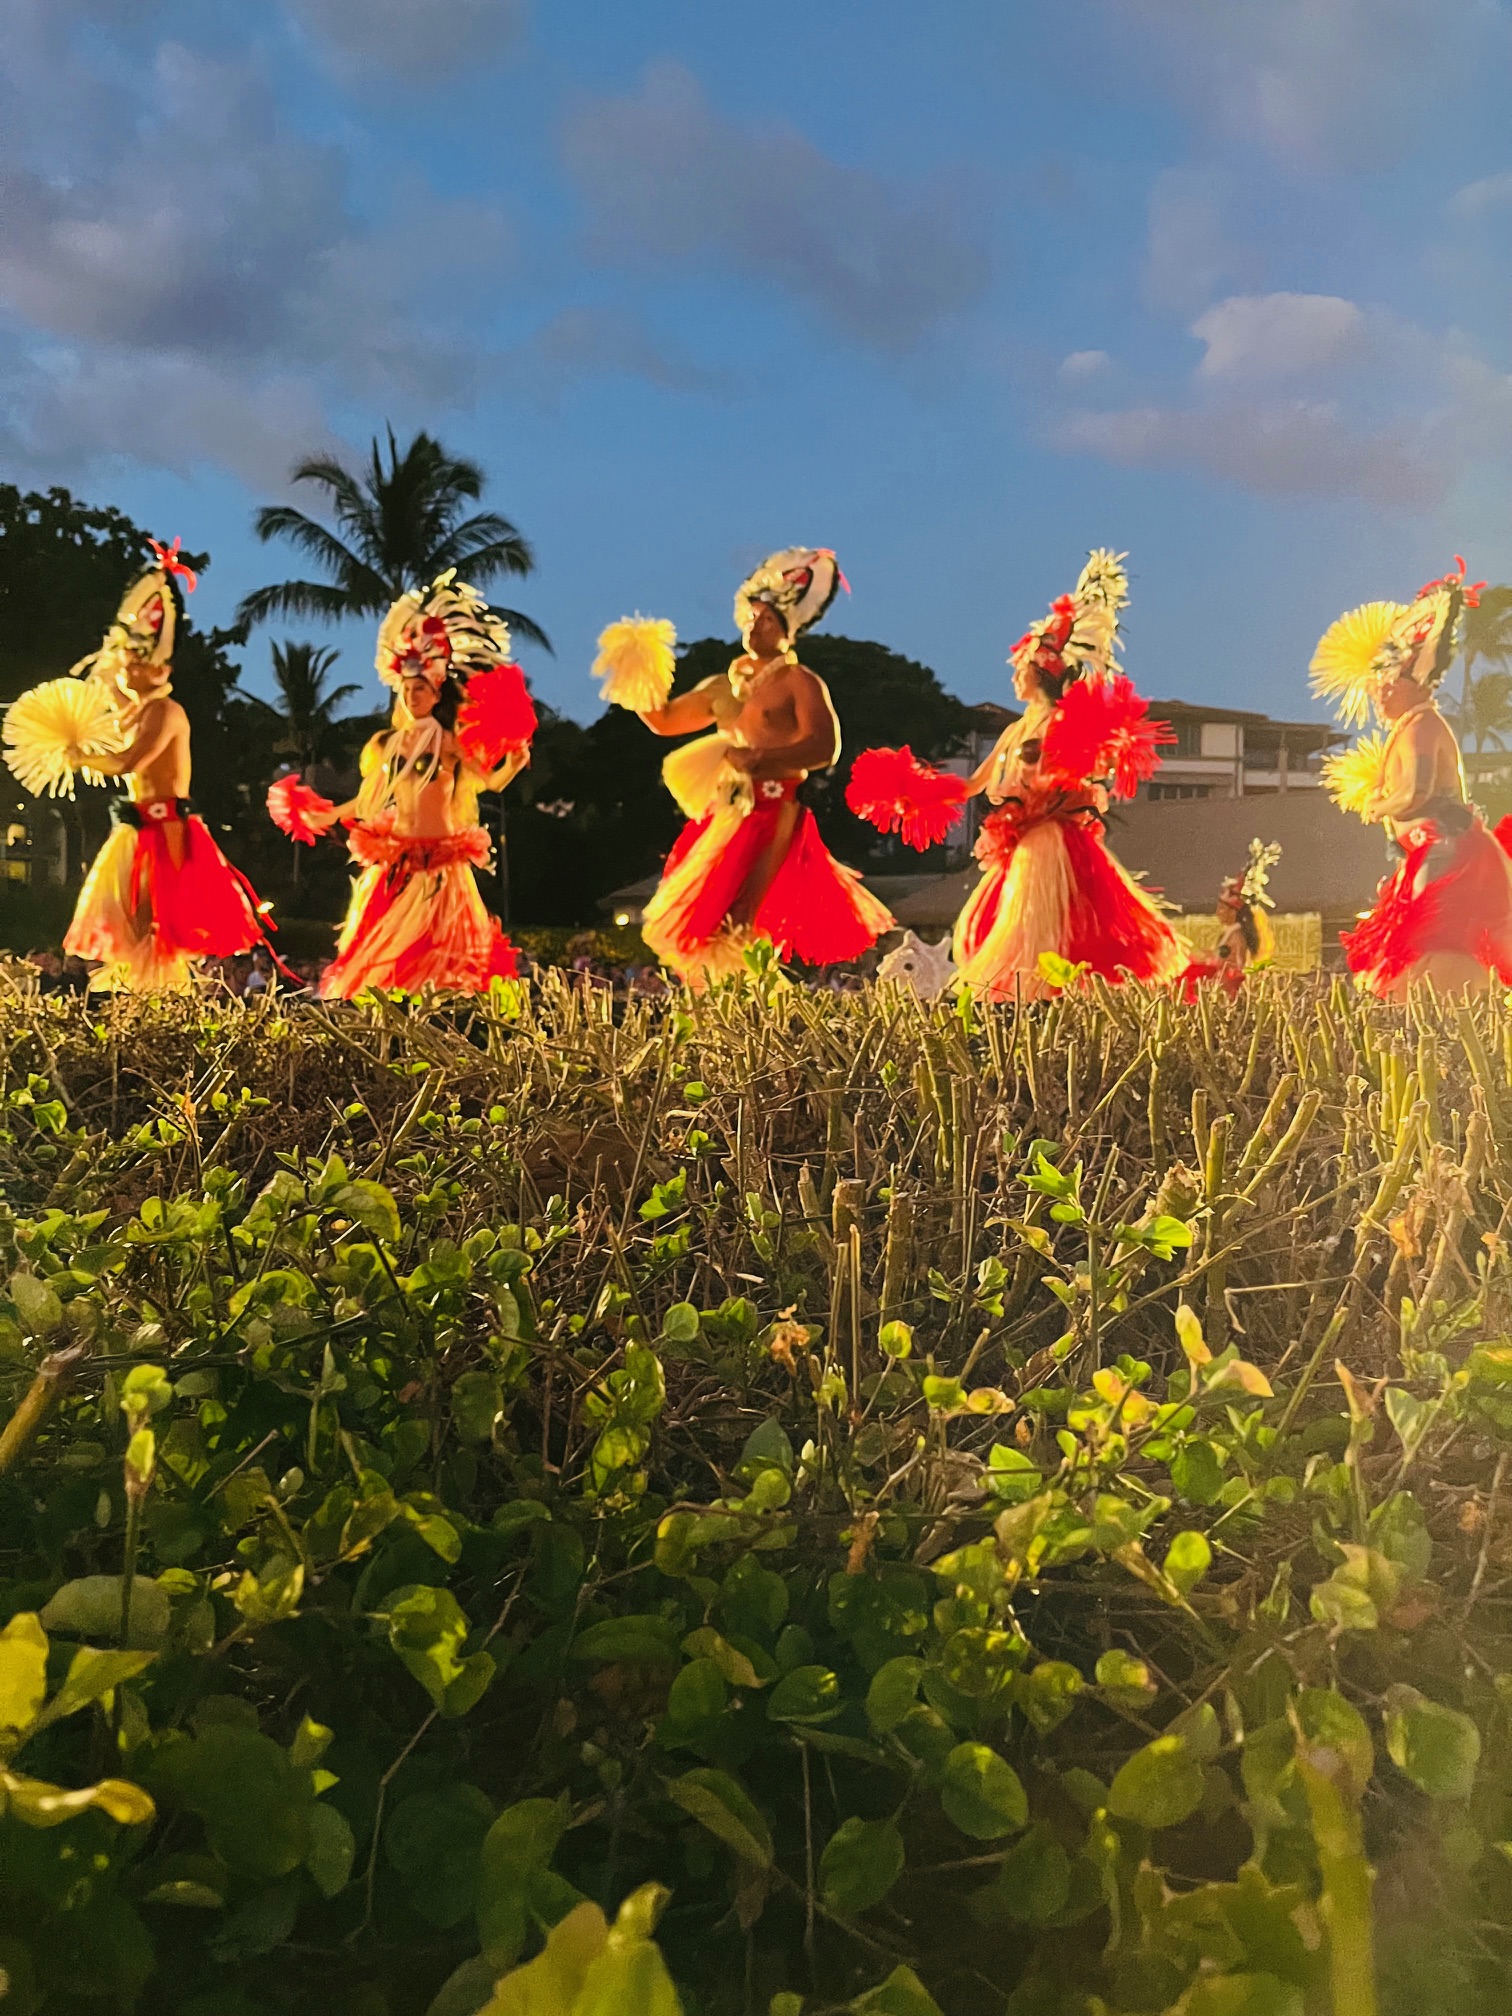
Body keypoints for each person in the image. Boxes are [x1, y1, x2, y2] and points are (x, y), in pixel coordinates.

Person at [594, 548, 892, 985]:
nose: (756, 625)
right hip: (725, 812)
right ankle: (713, 1001)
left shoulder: (799, 682)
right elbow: (665, 721)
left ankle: (748, 1000)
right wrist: (639, 671)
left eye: (768, 619)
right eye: (753, 616)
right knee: (703, 921)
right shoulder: (723, 686)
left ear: (788, 630)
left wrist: (762, 758)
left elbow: (824, 747)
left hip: (775, 812)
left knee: (744, 918)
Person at [4, 542, 270, 992]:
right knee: (131, 926)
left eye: (139, 657)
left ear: (161, 667)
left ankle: (158, 999)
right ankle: (138, 998)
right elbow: (118, 737)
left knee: (154, 925)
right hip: (137, 829)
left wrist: (80, 756)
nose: (128, 663)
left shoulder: (165, 712)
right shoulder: (135, 713)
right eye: (126, 654)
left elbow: (129, 761)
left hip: (166, 832)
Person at [950, 550, 1185, 1000]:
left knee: (1042, 928)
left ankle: (1040, 997)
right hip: (1022, 840)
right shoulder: (1016, 730)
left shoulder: (1062, 722)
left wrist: (1060, 776)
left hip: (1050, 839)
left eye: (1020, 669)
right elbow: (974, 784)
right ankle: (1032, 998)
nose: (1014, 678)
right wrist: (917, 791)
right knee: (995, 924)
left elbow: (1083, 770)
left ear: (1039, 673)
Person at [301, 572, 529, 999]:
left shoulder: (450, 743)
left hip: (442, 864)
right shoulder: (385, 744)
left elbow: (491, 783)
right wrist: (326, 814)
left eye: (420, 688)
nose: (412, 696)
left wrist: (514, 764)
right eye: (406, 689)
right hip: (398, 863)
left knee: (446, 961)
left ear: (436, 691)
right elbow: (367, 800)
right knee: (388, 958)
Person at [1312, 558, 1512, 998]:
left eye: (1390, 683)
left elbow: (1417, 792)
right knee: (1410, 950)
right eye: (1378, 685)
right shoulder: (1410, 727)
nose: (1380, 692)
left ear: (1418, 680)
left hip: (1446, 854)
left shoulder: (1423, 727)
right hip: (1427, 854)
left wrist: (1378, 804)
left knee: (1431, 939)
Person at [1179, 840, 1280, 999]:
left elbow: (1237, 967)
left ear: (1233, 911)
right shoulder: (1230, 933)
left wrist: (1213, 964)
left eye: (1222, 908)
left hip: (1228, 991)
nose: (1217, 912)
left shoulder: (1236, 937)